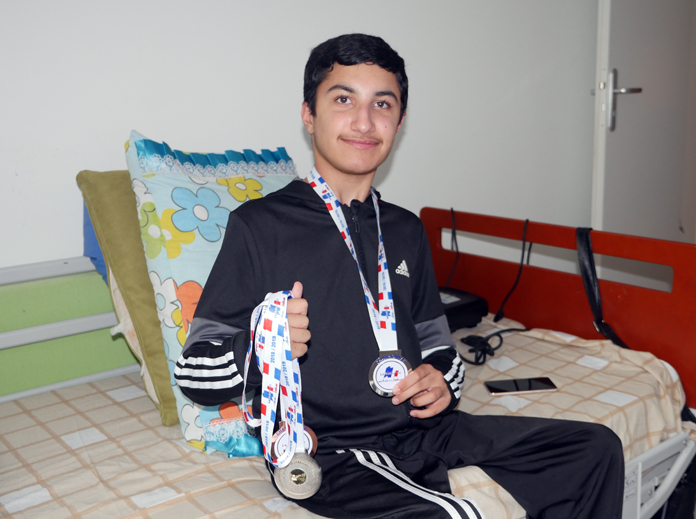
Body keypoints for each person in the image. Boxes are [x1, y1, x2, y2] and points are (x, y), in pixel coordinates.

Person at [175, 33, 624, 519]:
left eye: (382, 104)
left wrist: (442, 381)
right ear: (309, 114)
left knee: (594, 448)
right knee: (454, 515)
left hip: (423, 428)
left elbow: (438, 345)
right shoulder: (260, 226)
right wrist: (263, 344)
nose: (364, 121)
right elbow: (193, 371)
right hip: (331, 447)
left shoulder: (406, 229)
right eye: (343, 99)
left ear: (399, 121)